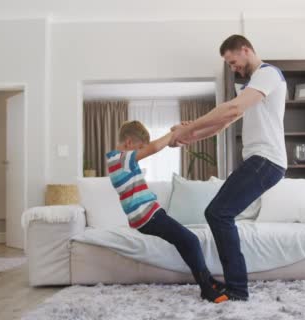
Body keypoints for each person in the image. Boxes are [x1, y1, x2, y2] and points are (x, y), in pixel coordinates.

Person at [169, 34, 287, 301]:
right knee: (219, 213)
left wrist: (191, 126)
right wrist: (189, 135)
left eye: (233, 62)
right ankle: (236, 286)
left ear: (246, 50)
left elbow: (232, 108)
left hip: (267, 160)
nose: (233, 68)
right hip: (261, 161)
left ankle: (237, 288)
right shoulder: (253, 84)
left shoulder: (269, 74)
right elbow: (224, 122)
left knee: (219, 213)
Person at [105, 120, 227, 303]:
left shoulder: (119, 161)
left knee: (184, 241)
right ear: (129, 143)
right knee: (191, 240)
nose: (140, 153)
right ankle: (206, 289)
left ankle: (208, 281)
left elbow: (155, 147)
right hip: (147, 215)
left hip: (148, 215)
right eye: (139, 149)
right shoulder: (120, 158)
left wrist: (175, 132)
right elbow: (154, 147)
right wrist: (175, 133)